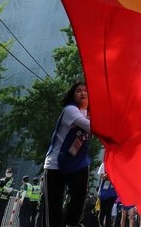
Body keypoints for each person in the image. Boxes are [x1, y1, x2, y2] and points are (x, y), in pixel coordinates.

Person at [44, 82, 92, 227]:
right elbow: (91, 127)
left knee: (79, 196)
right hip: (55, 164)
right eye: (78, 91)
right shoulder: (70, 110)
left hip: (78, 163)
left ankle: (70, 224)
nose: (83, 93)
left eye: (86, 90)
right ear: (73, 94)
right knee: (54, 208)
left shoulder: (92, 113)